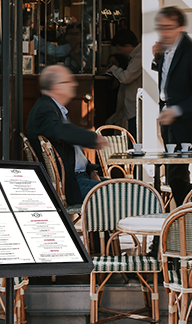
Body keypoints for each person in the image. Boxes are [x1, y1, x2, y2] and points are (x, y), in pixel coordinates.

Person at [152, 6, 192, 205]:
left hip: (185, 122)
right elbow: (170, 77)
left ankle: (187, 215)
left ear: (181, 27)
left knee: (176, 174)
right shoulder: (167, 48)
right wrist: (156, 58)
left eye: (168, 27)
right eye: (161, 28)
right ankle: (183, 217)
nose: (164, 32)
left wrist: (175, 110)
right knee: (172, 173)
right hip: (169, 118)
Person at [27, 65, 109, 205]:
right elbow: (59, 131)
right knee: (128, 191)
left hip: (81, 177)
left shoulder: (55, 109)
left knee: (132, 187)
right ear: (55, 86)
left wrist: (91, 170)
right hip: (71, 185)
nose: (74, 84)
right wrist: (91, 138)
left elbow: (73, 151)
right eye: (68, 81)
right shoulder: (44, 108)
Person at [106, 29, 142, 140]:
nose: (118, 51)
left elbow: (126, 77)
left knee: (134, 139)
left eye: (119, 48)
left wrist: (113, 68)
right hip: (132, 107)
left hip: (136, 107)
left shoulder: (139, 56)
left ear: (127, 45)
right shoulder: (136, 55)